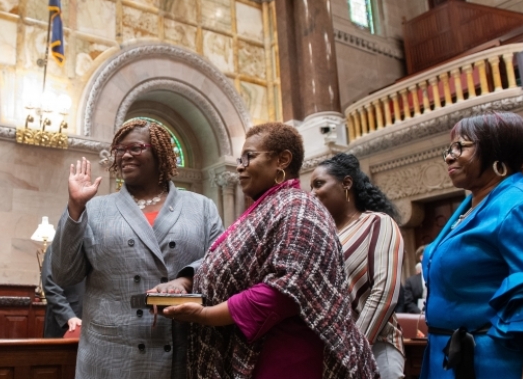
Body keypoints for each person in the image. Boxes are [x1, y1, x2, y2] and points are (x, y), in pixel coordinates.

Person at [161, 123, 378, 379]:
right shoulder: (268, 207)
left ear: (282, 160)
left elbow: (288, 287)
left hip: (285, 356)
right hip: (260, 349)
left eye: (249, 157)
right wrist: (186, 282)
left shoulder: (299, 206)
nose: (240, 165)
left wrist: (208, 315)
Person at [50, 118, 224, 379]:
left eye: (136, 148)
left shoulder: (201, 207)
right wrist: (75, 208)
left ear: (160, 153)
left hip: (179, 351)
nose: (125, 155)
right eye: (120, 150)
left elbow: (220, 263)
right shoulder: (95, 209)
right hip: (110, 356)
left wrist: (186, 279)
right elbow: (64, 274)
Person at [422, 111, 523, 378]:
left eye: (460, 146)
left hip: (491, 363)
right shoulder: (469, 205)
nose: (449, 156)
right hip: (445, 357)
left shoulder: (522, 203)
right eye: (449, 149)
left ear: (495, 151)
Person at [310, 152, 405, 379]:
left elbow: (385, 293)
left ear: (346, 183)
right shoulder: (323, 236)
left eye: (319, 184)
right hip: (330, 354)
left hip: (375, 349)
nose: (311, 194)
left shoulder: (378, 223)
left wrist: (351, 350)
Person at [42, 245, 85, 338]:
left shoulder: (95, 251)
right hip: (63, 322)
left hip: (91, 325)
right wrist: (68, 316)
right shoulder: (56, 249)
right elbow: (51, 286)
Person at [402, 247, 426, 314]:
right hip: (417, 318)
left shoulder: (439, 278)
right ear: (421, 258)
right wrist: (420, 313)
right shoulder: (411, 282)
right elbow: (408, 302)